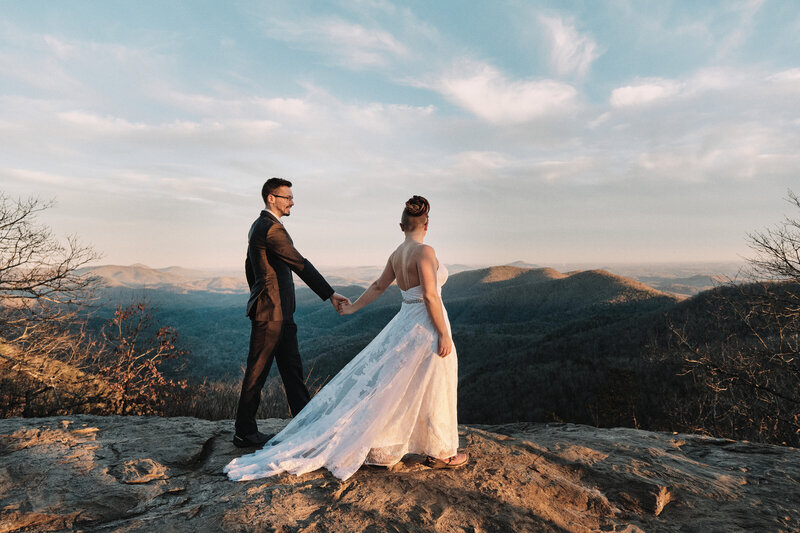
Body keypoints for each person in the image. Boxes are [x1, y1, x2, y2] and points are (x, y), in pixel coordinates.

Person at [225, 195, 468, 481]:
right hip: (426, 324)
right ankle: (440, 452)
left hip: (404, 323)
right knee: (434, 383)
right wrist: (442, 332)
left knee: (398, 386)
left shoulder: (397, 253)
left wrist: (352, 308)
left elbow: (378, 286)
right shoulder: (425, 251)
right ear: (426, 224)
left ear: (401, 225)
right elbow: (429, 295)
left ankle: (389, 448)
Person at [233, 177, 351, 448]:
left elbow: (250, 267)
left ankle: (306, 424)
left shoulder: (259, 226)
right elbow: (300, 263)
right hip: (270, 313)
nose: (292, 202)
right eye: (287, 197)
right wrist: (329, 293)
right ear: (271, 198)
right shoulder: (270, 228)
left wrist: (258, 292)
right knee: (257, 373)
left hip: (279, 312)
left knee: (292, 370)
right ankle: (244, 432)